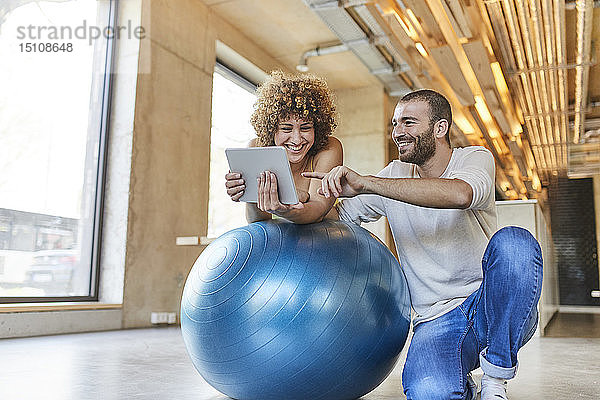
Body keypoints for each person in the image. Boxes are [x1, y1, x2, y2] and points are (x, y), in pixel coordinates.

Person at [304, 89, 542, 400]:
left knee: (516, 244)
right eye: (394, 123)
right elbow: (336, 218)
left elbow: (460, 195)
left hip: (490, 306)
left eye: (409, 122)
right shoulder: (394, 175)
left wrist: (368, 182)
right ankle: (461, 382)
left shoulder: (474, 158)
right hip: (436, 319)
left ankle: (495, 378)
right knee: (431, 393)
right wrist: (280, 195)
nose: (397, 132)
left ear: (440, 128)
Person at [225, 70, 343, 224]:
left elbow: (318, 210)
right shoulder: (257, 147)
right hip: (279, 240)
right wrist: (249, 192)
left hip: (324, 237)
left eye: (306, 128)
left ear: (317, 127)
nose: (296, 139)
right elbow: (257, 221)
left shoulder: (329, 148)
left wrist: (286, 207)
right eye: (286, 129)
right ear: (272, 129)